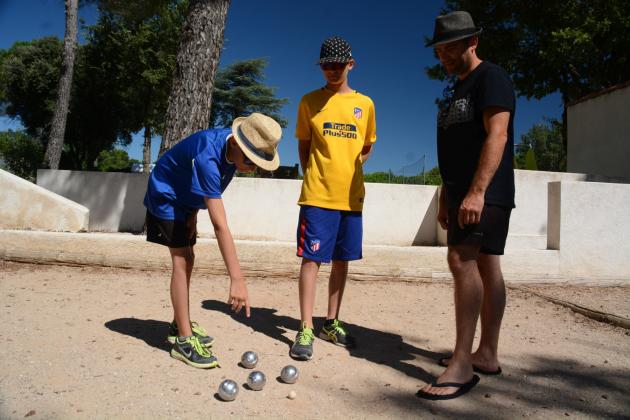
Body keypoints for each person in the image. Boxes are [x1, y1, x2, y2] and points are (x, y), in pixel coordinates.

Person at [416, 11, 516, 400]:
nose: (443, 55)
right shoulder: (456, 90)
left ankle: (461, 364)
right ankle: (485, 354)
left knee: (461, 261)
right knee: (487, 263)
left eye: (450, 47)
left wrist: (476, 192)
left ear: (472, 42)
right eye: (439, 49)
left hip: (485, 191)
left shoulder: (491, 78)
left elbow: (498, 135)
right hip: (463, 191)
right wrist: (447, 195)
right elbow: (455, 150)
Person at [143, 113, 282, 368]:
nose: (254, 168)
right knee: (182, 261)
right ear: (236, 144)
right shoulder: (209, 154)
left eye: (258, 163)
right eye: (251, 161)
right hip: (166, 195)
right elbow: (220, 225)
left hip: (184, 201)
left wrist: (193, 214)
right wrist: (237, 279)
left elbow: (199, 187)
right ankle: (183, 341)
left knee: (189, 257)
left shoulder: (231, 156)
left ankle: (178, 322)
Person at [289, 36, 377, 361]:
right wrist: (314, 173)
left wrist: (352, 164)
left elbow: (367, 145)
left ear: (351, 64)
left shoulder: (365, 104)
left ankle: (331, 322)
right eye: (326, 65)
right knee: (311, 260)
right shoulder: (309, 101)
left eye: (338, 65)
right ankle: (306, 327)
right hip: (318, 196)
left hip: (352, 199)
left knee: (342, 261)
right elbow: (303, 144)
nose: (332, 71)